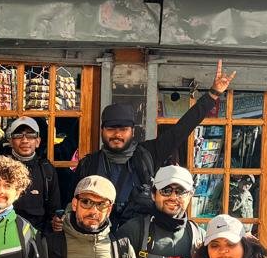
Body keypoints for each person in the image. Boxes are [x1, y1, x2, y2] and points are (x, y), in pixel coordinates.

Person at [73, 61, 236, 227]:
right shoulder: (89, 164)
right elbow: (73, 204)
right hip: (100, 240)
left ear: (133, 132)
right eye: (111, 129)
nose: (117, 134)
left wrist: (213, 94)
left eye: (123, 129)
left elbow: (182, 129)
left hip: (140, 240)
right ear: (102, 131)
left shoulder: (148, 153)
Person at [119, 164, 204, 258]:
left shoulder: (199, 236)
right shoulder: (134, 230)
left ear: (190, 195)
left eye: (180, 191)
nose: (173, 197)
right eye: (166, 190)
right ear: (153, 194)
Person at [2, 117, 61, 237]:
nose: (24, 140)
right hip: (5, 235)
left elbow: (54, 211)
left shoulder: (46, 170)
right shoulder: (1, 167)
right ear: (11, 141)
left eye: (30, 135)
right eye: (19, 135)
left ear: (38, 141)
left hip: (37, 236)